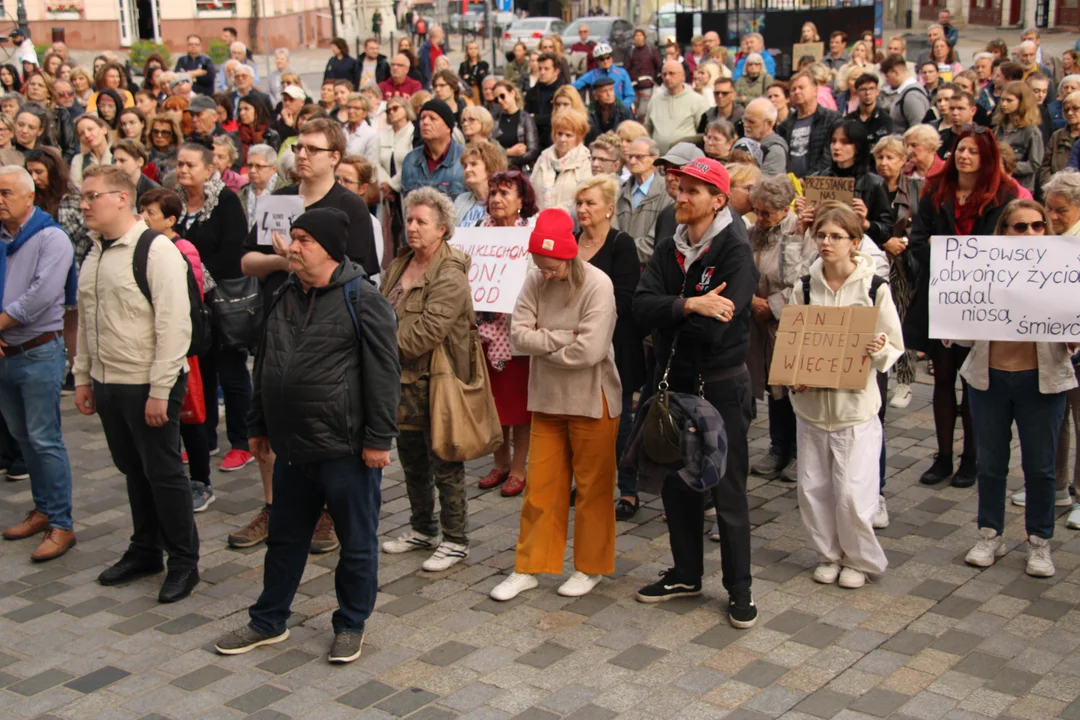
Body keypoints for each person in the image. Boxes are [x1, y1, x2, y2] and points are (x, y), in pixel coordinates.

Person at [214, 207, 399, 663]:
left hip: (347, 452)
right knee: (284, 539)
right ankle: (268, 620)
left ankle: (351, 623)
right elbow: (267, 366)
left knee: (356, 544)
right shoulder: (284, 295)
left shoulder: (365, 300)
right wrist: (257, 426)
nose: (291, 247)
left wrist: (378, 439)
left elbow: (384, 375)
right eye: (293, 237)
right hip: (293, 449)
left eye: (303, 240)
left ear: (330, 250)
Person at [631, 157, 757, 628]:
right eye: (679, 188)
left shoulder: (734, 251)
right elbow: (640, 308)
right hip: (671, 384)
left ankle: (739, 589)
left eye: (692, 191)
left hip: (720, 387)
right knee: (674, 481)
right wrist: (687, 304)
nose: (680, 196)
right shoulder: (669, 248)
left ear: (719, 200)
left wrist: (672, 316)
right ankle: (686, 573)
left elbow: (715, 330)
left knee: (727, 489)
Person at [74, 165, 198, 602]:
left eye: (92, 196)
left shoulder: (156, 250)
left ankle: (184, 561)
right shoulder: (95, 252)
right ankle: (146, 548)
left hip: (148, 382)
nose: (84, 204)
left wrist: (161, 390)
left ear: (122, 198)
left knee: (164, 473)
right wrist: (83, 376)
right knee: (133, 470)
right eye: (83, 196)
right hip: (108, 381)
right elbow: (88, 320)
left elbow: (174, 326)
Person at [488, 207, 621, 602]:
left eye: (552, 267)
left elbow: (591, 350)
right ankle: (530, 567)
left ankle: (590, 567)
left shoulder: (598, 284)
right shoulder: (533, 279)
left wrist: (545, 344)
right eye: (540, 266)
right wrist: (565, 337)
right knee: (541, 487)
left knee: (594, 487)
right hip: (546, 397)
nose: (545, 274)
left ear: (569, 256)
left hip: (592, 398)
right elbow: (517, 337)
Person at [957, 199, 1074, 578]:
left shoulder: (1065, 269)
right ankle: (990, 533)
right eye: (1019, 227)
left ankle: (1039, 541)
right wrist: (950, 328)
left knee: (1041, 468)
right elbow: (960, 328)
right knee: (991, 464)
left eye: (1038, 226)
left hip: (1042, 381)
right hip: (988, 378)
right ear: (1003, 231)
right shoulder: (980, 269)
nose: (1030, 234)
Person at [790, 203, 903, 589]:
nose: (826, 242)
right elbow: (793, 344)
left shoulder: (873, 287)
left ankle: (859, 558)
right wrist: (794, 376)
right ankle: (828, 553)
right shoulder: (803, 286)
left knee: (854, 492)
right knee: (814, 488)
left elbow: (894, 344)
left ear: (854, 242)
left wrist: (879, 347)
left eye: (836, 236)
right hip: (812, 409)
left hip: (855, 408)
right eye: (821, 235)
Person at [906, 128, 1019, 488]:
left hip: (982, 297)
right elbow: (918, 240)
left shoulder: (1004, 193)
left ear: (986, 157)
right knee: (942, 377)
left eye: (972, 151)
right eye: (959, 149)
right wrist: (949, 263)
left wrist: (970, 266)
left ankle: (971, 457)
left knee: (973, 381)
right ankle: (942, 455)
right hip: (940, 292)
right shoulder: (936, 191)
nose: (964, 156)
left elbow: (1005, 243)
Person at [380, 188, 474, 571]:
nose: (412, 227)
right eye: (410, 220)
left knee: (444, 459)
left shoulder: (449, 271)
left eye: (422, 222)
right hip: (400, 380)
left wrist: (378, 350)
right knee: (412, 459)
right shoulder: (401, 263)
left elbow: (429, 329)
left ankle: (455, 539)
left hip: (436, 380)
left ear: (443, 229)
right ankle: (423, 528)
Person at [0, 163, 76, 562]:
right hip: (4, 352)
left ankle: (62, 523)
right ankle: (43, 507)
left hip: (38, 351)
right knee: (23, 437)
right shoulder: (1, 238)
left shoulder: (51, 237)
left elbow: (41, 296)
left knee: (45, 438)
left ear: (29, 196)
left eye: (5, 193)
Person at [473, 170, 538, 498]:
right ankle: (499, 462)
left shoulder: (530, 233)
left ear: (522, 200)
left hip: (517, 332)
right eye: (493, 193)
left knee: (519, 408)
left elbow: (539, 278)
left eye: (505, 193)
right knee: (494, 405)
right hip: (485, 331)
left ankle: (518, 468)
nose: (497, 199)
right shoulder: (479, 231)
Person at [745, 175, 813, 483]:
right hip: (760, 323)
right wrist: (750, 300)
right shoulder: (753, 232)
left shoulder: (800, 232)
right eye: (756, 211)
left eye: (766, 213)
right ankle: (778, 446)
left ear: (785, 210)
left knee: (791, 385)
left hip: (788, 321)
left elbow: (803, 280)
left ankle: (799, 452)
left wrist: (770, 305)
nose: (759, 218)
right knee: (774, 387)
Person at [1041, 171, 1080, 527]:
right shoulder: (1047, 241)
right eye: (1049, 209)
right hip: (1054, 343)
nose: (1053, 216)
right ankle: (1057, 486)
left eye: (1061, 211)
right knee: (1058, 417)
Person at [777, 71, 842, 179]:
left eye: (801, 87)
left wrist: (807, 179)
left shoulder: (831, 119)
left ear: (815, 90)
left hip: (820, 184)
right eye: (793, 89)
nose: (797, 92)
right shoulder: (785, 126)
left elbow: (829, 157)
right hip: (790, 185)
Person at [618, 137, 671, 264]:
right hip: (620, 267)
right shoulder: (620, 191)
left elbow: (656, 241)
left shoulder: (667, 193)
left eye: (639, 157)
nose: (632, 161)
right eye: (630, 156)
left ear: (654, 159)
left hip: (648, 268)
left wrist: (620, 252)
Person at [400, 99, 465, 197]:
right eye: (422, 118)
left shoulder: (465, 160)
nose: (425, 122)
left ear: (448, 127)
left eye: (432, 118)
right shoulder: (410, 160)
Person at [531, 109, 592, 215]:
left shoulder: (585, 161)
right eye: (559, 134)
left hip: (569, 224)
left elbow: (581, 197)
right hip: (538, 222)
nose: (562, 139)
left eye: (568, 135)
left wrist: (552, 215)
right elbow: (531, 188)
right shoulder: (543, 157)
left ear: (578, 137)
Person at [646, 61, 710, 155]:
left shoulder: (697, 101)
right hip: (658, 159)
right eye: (664, 74)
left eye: (672, 73)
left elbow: (703, 133)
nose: (667, 77)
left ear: (682, 76)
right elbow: (648, 129)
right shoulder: (655, 100)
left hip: (686, 159)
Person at [992, 80, 1044, 192]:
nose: (1004, 104)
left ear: (1021, 102)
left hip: (1020, 187)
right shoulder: (998, 129)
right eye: (1002, 100)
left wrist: (1006, 168)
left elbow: (1034, 164)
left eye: (1009, 100)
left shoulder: (1031, 131)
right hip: (997, 186)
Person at [454, 140, 505, 227]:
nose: (467, 170)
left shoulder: (502, 201)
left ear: (489, 167)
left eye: (473, 164)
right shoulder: (461, 200)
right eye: (465, 166)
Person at [525, 53, 567, 153]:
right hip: (536, 142)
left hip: (558, 141)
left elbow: (562, 117)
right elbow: (526, 117)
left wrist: (536, 118)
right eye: (540, 69)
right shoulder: (532, 93)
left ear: (556, 71)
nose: (542, 72)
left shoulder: (564, 92)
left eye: (546, 69)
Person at [491, 82, 538, 171]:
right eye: (496, 100)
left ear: (512, 93)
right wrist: (509, 152)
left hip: (521, 171)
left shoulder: (526, 119)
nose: (500, 101)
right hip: (499, 171)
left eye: (502, 96)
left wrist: (508, 161)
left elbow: (532, 151)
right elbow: (490, 149)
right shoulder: (495, 120)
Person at [881, 54, 931, 134]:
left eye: (887, 76)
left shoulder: (912, 96)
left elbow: (918, 130)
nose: (886, 80)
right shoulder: (905, 93)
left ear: (896, 72)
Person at [574, 44, 635, 109]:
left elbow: (630, 95)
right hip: (600, 112)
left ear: (612, 57)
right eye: (601, 59)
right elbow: (573, 87)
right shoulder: (592, 74)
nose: (605, 61)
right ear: (597, 61)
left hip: (620, 111)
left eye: (607, 57)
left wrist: (621, 108)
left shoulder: (622, 73)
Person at [1040, 91, 1080, 185]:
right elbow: (1045, 166)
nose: (1070, 113)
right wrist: (1050, 186)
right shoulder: (1057, 136)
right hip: (1056, 188)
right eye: (1066, 110)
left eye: (1075, 108)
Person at [626, 29, 663, 121]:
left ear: (644, 38)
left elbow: (659, 65)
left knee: (643, 112)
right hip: (634, 86)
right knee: (634, 111)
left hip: (647, 86)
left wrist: (655, 79)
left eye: (640, 35)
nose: (638, 38)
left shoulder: (652, 51)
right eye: (636, 36)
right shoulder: (631, 52)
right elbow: (626, 68)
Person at [847, 73, 894, 147]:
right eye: (863, 89)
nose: (867, 93)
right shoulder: (848, 120)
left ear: (877, 91)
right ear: (857, 92)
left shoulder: (885, 119)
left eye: (871, 88)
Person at [458, 41, 488, 106]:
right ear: (467, 51)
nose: (473, 51)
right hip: (468, 92)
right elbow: (462, 80)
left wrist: (470, 77)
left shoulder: (483, 64)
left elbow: (481, 78)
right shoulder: (463, 65)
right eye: (470, 49)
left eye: (475, 48)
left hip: (479, 91)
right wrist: (474, 76)